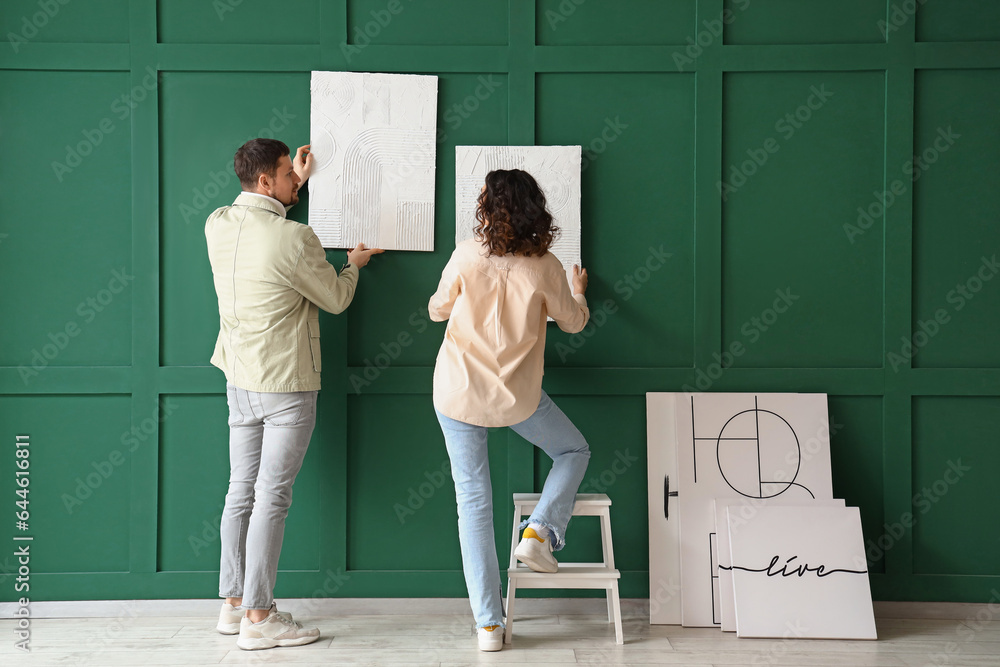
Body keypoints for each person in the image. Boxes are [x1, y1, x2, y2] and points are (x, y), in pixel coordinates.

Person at [205, 138, 383, 651]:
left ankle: (234, 603)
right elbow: (334, 298)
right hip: (285, 383)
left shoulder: (216, 223)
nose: (293, 182)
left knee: (240, 492)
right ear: (267, 181)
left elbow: (264, 217)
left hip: (238, 379)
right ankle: (260, 617)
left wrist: (299, 179)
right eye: (287, 175)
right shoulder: (296, 237)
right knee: (272, 498)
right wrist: (353, 264)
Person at [428, 169, 592, 652]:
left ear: (488, 206)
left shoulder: (465, 253)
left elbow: (438, 309)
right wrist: (578, 290)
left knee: (473, 504)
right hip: (518, 397)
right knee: (573, 450)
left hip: (457, 393)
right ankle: (539, 531)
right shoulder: (546, 266)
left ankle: (488, 628)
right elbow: (574, 322)